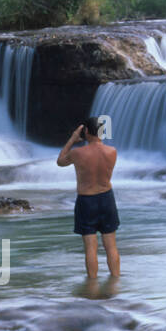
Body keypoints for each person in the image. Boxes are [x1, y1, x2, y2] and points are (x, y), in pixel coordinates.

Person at [56, 116, 119, 277]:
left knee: (91, 247)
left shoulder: (78, 153)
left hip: (87, 200)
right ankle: (116, 282)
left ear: (85, 131)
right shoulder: (112, 152)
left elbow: (60, 161)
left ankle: (92, 285)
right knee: (111, 245)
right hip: (107, 199)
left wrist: (72, 139)